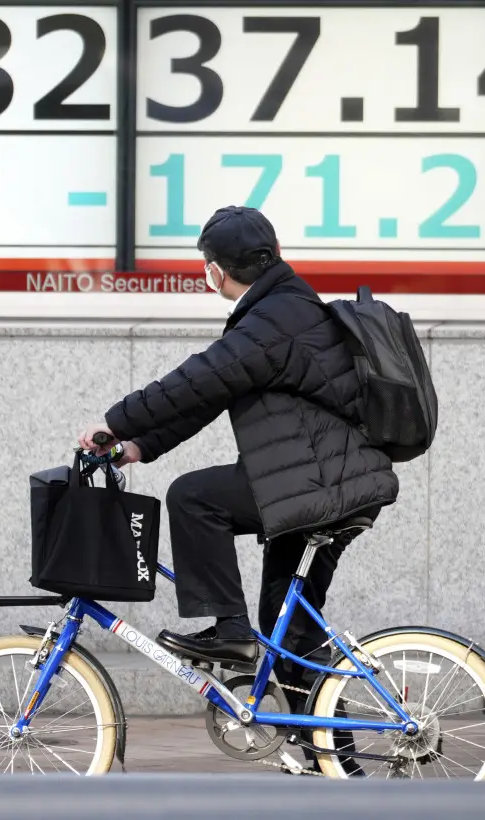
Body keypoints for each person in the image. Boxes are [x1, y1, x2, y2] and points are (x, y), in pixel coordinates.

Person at [78, 205, 399, 711]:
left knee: (193, 497)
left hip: (320, 482)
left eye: (207, 266)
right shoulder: (282, 309)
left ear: (216, 271)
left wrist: (115, 421)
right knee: (287, 627)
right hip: (330, 481)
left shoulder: (274, 318)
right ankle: (325, 753)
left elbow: (197, 379)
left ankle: (229, 630)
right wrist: (139, 446)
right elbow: (213, 394)